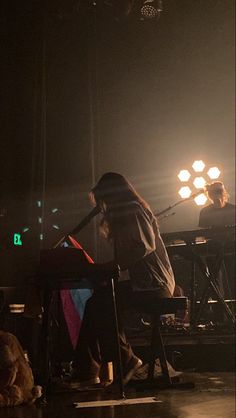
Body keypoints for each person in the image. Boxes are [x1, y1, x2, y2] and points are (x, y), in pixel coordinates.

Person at [69, 172, 175, 388]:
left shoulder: (134, 209)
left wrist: (110, 266)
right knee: (97, 303)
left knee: (100, 303)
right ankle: (90, 370)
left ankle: (120, 362)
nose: (103, 206)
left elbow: (143, 247)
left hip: (154, 285)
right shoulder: (127, 213)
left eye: (104, 199)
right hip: (142, 283)